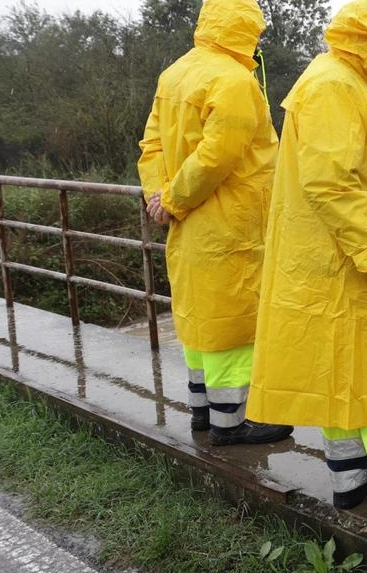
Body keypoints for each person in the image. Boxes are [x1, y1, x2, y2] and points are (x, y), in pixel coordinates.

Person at [245, 0, 367, 524]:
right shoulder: (337, 85)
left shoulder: (344, 80)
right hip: (356, 262)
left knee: (344, 373)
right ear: (359, 33)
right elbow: (330, 179)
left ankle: (352, 488)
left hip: (338, 261)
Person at [137, 0, 292, 447]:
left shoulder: (174, 73)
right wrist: (174, 199)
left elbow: (151, 145)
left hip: (186, 226)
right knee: (232, 324)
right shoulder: (235, 81)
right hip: (229, 221)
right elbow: (217, 156)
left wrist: (158, 197)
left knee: (199, 318)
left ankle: (203, 412)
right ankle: (231, 424)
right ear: (246, 30)